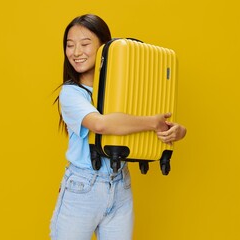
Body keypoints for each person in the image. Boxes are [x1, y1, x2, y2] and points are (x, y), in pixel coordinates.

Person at [50, 14, 186, 240]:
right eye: (70, 45)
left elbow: (148, 118)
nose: (76, 52)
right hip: (82, 187)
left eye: (85, 44)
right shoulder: (72, 93)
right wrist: (152, 122)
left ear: (105, 48)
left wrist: (177, 131)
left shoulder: (126, 91)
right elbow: (101, 124)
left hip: (120, 184)